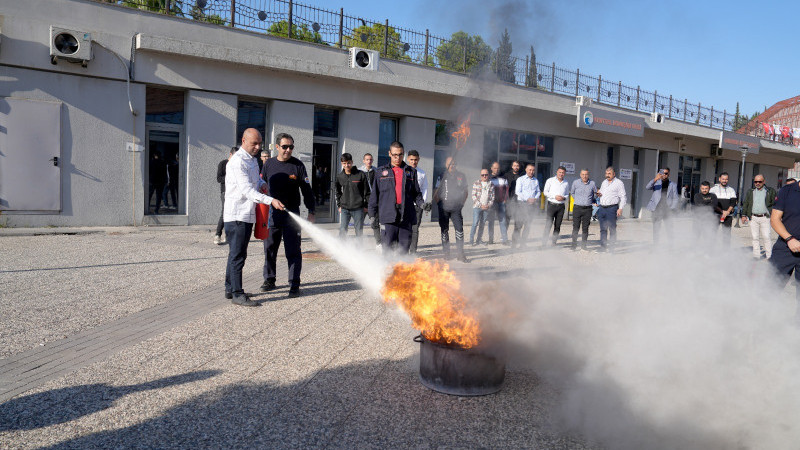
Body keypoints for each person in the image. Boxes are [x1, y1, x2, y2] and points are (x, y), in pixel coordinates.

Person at [224, 128, 285, 306]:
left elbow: (255, 182)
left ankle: (230, 288)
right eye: (254, 144)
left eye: (260, 143)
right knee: (238, 256)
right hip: (237, 215)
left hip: (246, 215)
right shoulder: (237, 162)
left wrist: (263, 184)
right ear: (243, 141)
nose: (258, 147)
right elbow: (247, 190)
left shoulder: (252, 160)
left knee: (236, 254)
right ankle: (237, 294)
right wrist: (270, 200)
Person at [260, 133, 315, 297]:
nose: (288, 150)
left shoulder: (297, 166)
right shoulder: (268, 164)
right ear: (277, 147)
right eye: (285, 147)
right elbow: (261, 186)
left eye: (291, 147)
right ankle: (269, 279)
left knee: (293, 251)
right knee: (269, 249)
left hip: (292, 216)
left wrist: (311, 211)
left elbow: (307, 190)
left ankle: (294, 284)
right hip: (272, 215)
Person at [368, 141, 423, 254]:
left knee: (403, 250)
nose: (398, 158)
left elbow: (416, 194)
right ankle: (388, 271)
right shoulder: (380, 172)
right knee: (387, 249)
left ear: (404, 154)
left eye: (400, 154)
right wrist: (372, 215)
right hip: (388, 216)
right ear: (389, 154)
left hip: (406, 216)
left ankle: (401, 271)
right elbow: (374, 196)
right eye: (395, 155)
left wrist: (422, 204)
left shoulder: (411, 172)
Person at [770, 180, 800, 321]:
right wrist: (790, 239)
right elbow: (775, 219)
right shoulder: (787, 191)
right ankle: (760, 324)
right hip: (785, 247)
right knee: (770, 288)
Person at [434, 156, 469, 262]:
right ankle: (446, 253)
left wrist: (461, 204)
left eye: (453, 163)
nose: (452, 166)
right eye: (450, 164)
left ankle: (460, 254)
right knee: (444, 230)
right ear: (446, 165)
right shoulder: (441, 176)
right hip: (443, 208)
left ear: (456, 165)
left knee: (459, 230)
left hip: (456, 208)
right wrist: (439, 204)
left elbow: (465, 191)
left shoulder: (461, 176)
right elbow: (436, 191)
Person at [742, 174, 777, 259]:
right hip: (753, 217)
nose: (757, 183)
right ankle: (756, 255)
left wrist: (773, 214)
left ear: (764, 182)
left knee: (766, 237)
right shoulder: (751, 191)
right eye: (755, 182)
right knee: (755, 237)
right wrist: (744, 215)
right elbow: (746, 203)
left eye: (759, 181)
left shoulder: (770, 191)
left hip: (765, 217)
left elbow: (775, 203)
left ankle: (769, 256)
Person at [335, 152, 368, 238]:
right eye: (344, 163)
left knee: (359, 230)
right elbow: (337, 192)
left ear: (352, 162)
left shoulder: (360, 174)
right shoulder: (340, 176)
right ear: (342, 163)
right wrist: (339, 205)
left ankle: (359, 249)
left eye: (348, 163)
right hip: (345, 208)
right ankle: (342, 248)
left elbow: (367, 192)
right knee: (343, 229)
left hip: (358, 208)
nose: (347, 165)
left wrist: (366, 205)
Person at [595, 166, 627, 252]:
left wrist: (620, 208)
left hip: (612, 209)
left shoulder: (619, 183)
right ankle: (603, 247)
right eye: (606, 173)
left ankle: (612, 248)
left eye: (609, 173)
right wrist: (599, 194)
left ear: (614, 174)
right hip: (602, 208)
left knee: (612, 229)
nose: (607, 175)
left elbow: (623, 197)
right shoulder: (604, 182)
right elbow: (601, 192)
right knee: (603, 229)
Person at [645, 167, 679, 243]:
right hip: (656, 209)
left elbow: (675, 198)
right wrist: (655, 179)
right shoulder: (656, 182)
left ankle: (670, 247)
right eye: (662, 173)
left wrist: (672, 208)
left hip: (667, 210)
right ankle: (655, 247)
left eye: (666, 173)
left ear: (669, 174)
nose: (664, 175)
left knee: (669, 229)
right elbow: (647, 187)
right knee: (656, 229)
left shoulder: (673, 184)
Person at [407, 150, 430, 253]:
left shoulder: (422, 173)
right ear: (407, 159)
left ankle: (413, 251)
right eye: (411, 159)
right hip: (406, 205)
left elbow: (424, 188)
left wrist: (423, 204)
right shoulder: (404, 171)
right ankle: (403, 250)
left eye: (415, 160)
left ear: (419, 160)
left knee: (415, 229)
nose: (413, 162)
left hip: (418, 206)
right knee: (405, 228)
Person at [512, 163, 541, 249]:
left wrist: (535, 198)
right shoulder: (520, 179)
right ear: (526, 170)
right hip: (522, 205)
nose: (531, 172)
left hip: (531, 206)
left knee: (527, 226)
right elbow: (518, 192)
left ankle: (523, 244)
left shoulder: (536, 180)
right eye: (530, 170)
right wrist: (527, 199)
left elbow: (538, 191)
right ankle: (514, 245)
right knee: (518, 226)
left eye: (533, 170)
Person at [542, 166, 569, 247]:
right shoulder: (550, 180)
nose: (561, 174)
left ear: (565, 174)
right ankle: (544, 243)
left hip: (561, 206)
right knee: (548, 224)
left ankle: (554, 243)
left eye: (563, 173)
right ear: (557, 172)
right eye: (560, 172)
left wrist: (564, 198)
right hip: (552, 205)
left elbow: (567, 194)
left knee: (558, 225)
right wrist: (555, 197)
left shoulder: (566, 183)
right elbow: (545, 192)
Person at [570, 169, 596, 251]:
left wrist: (592, 200)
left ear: (588, 175)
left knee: (585, 228)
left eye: (586, 174)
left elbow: (595, 194)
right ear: (580, 175)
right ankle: (573, 245)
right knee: (575, 227)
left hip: (588, 209)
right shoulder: (575, 182)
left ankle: (583, 246)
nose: (584, 176)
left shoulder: (592, 183)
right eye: (583, 174)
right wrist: (577, 199)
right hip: (577, 208)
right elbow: (572, 192)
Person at [214, 147, 236, 245]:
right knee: (224, 213)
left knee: (233, 214)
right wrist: (230, 178)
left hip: (235, 193)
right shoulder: (223, 164)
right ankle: (218, 234)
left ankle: (228, 235)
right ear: (230, 154)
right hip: (225, 192)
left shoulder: (237, 165)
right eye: (235, 156)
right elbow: (219, 178)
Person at [709, 172, 737, 245]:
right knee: (713, 233)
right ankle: (710, 251)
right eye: (723, 179)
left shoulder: (731, 190)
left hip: (728, 216)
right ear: (719, 179)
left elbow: (733, 202)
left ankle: (725, 252)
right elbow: (712, 202)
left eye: (726, 179)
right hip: (715, 215)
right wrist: (721, 211)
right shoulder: (713, 189)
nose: (724, 181)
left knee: (726, 234)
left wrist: (727, 212)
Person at [470, 169, 495, 246]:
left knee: (482, 224)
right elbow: (473, 196)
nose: (484, 176)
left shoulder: (491, 184)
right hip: (477, 207)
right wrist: (480, 205)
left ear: (488, 175)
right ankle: (471, 241)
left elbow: (492, 197)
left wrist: (488, 205)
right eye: (483, 175)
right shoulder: (476, 183)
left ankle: (479, 240)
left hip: (486, 208)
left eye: (486, 175)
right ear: (480, 175)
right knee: (475, 223)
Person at [487, 162, 510, 245]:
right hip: (491, 203)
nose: (496, 170)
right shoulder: (488, 178)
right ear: (491, 168)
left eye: (498, 168)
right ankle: (490, 239)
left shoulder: (503, 178)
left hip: (501, 202)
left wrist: (505, 200)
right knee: (491, 221)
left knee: (502, 221)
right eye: (495, 168)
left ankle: (504, 240)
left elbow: (506, 190)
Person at [362, 153, 381, 248]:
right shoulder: (360, 172)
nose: (369, 161)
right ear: (364, 161)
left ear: (372, 160)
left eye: (370, 159)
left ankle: (379, 244)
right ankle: (359, 244)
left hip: (373, 203)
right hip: (362, 203)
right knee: (359, 225)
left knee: (375, 223)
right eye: (367, 159)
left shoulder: (377, 171)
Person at [505, 161, 524, 236]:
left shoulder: (522, 176)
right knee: (507, 219)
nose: (516, 167)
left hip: (518, 200)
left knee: (518, 219)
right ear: (512, 166)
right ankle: (504, 236)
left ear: (519, 167)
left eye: (517, 166)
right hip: (509, 200)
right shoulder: (507, 175)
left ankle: (515, 236)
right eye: (514, 166)